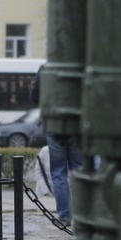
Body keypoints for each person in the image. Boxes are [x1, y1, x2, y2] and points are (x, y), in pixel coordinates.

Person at [30, 66, 81, 227]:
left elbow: (34, 95)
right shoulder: (79, 65)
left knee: (58, 173)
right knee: (80, 171)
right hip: (76, 124)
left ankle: (65, 216)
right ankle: (83, 215)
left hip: (54, 124)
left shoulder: (45, 69)